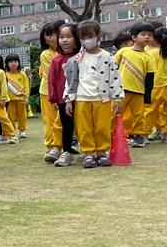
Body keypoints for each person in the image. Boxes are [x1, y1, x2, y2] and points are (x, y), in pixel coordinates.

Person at [63, 20, 123, 168]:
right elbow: (70, 80)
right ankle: (88, 153)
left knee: (102, 127)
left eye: (90, 36)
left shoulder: (107, 57)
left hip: (102, 99)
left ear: (98, 36)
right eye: (83, 37)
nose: (86, 40)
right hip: (82, 98)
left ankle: (102, 152)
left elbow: (115, 77)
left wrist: (117, 97)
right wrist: (68, 100)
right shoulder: (76, 59)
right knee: (84, 128)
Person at [116, 22, 156, 148]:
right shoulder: (123, 51)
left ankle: (138, 137)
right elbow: (112, 68)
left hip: (139, 92)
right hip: (121, 91)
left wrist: (147, 97)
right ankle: (112, 136)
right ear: (134, 37)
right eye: (143, 34)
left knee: (138, 116)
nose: (147, 37)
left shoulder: (149, 57)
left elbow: (150, 78)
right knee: (115, 113)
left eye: (149, 35)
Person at [47, 22, 81, 168]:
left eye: (69, 36)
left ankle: (90, 150)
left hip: (82, 98)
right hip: (63, 100)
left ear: (76, 39)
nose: (65, 40)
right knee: (66, 126)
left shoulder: (81, 57)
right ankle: (66, 151)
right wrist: (54, 98)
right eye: (61, 37)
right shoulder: (56, 60)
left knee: (84, 125)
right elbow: (52, 80)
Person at [38, 20, 65, 163]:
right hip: (48, 92)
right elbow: (52, 74)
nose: (49, 38)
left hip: (65, 92)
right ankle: (52, 146)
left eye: (52, 34)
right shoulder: (46, 54)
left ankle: (65, 144)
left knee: (62, 120)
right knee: (50, 121)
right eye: (46, 36)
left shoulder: (67, 52)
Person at [5, 54, 29, 138]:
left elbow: (26, 87)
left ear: (19, 63)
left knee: (22, 116)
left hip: (21, 99)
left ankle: (22, 131)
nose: (14, 64)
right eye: (11, 62)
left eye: (15, 61)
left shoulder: (22, 74)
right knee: (10, 116)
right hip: (9, 99)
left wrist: (26, 97)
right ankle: (11, 131)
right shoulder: (5, 74)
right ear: (7, 64)